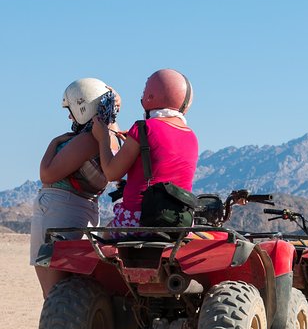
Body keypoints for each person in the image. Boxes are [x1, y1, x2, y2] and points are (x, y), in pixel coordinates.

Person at [31, 78, 123, 299]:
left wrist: (55, 142)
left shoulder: (87, 139)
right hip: (85, 211)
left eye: (72, 110)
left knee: (54, 294)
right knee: (75, 290)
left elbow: (46, 174)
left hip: (58, 210)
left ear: (84, 107)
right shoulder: (113, 137)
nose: (70, 117)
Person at [92, 69, 198, 228]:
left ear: (149, 97)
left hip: (141, 219)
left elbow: (111, 173)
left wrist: (103, 138)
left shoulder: (143, 128)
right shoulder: (191, 136)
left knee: (101, 238)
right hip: (177, 223)